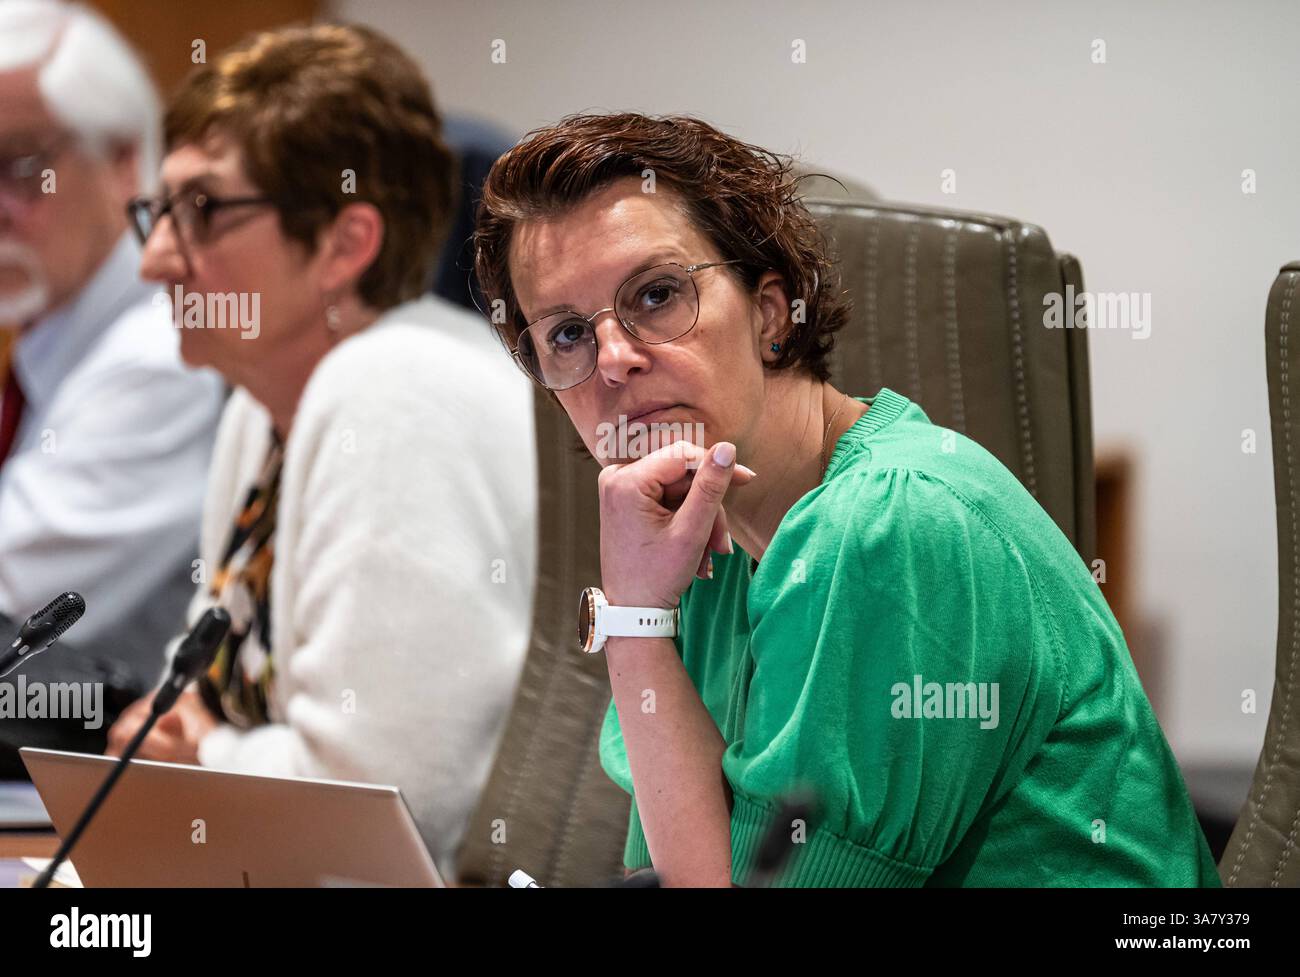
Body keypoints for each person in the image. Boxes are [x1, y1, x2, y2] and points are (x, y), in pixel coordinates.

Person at [472, 111, 1221, 887]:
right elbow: (683, 871)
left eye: (657, 294)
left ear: (770, 310)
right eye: (566, 335)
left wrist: (631, 621)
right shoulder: (695, 539)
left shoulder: (886, 523)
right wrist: (639, 612)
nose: (614, 360)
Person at [105, 23, 537, 876]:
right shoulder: (260, 408)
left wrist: (204, 759)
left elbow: (382, 802)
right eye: (157, 213)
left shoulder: (394, 387)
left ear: (346, 243)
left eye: (201, 210)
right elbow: (172, 709)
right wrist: (189, 738)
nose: (155, 260)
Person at [0, 0, 223, 770]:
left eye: (20, 166)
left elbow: (9, 586)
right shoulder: (50, 342)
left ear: (127, 159)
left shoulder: (168, 350)